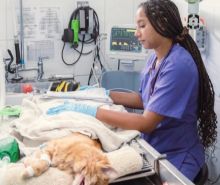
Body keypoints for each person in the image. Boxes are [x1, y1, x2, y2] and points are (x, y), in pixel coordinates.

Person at [53, 0, 217, 182]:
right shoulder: (155, 57)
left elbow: (146, 123)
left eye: (142, 25)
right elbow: (143, 99)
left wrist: (92, 111)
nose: (137, 33)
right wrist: (102, 94)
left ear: (162, 22)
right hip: (155, 149)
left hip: (177, 158)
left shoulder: (178, 65)